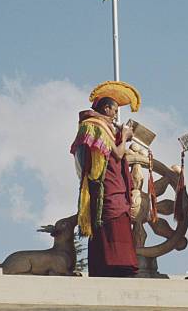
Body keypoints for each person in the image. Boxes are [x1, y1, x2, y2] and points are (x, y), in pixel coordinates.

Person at [70, 80, 141, 277]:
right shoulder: (96, 125)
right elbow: (117, 155)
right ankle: (114, 264)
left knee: (114, 218)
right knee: (111, 217)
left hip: (110, 182)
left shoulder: (100, 127)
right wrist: (125, 137)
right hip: (106, 185)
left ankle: (113, 264)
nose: (116, 114)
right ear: (106, 108)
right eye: (115, 109)